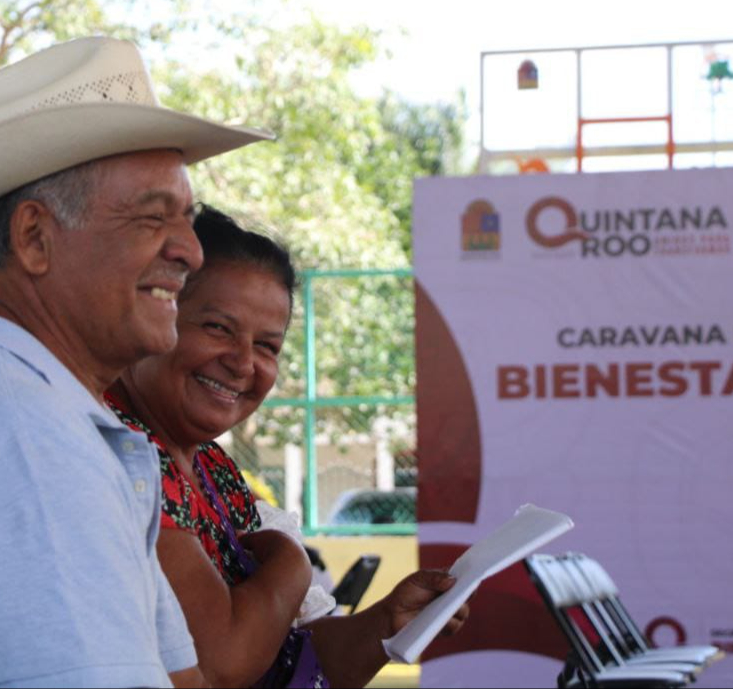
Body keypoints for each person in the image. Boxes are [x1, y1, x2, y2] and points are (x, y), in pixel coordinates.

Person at [0, 37, 271, 688]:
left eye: (187, 217)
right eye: (153, 217)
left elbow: (184, 679)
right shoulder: (24, 442)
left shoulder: (31, 412)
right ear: (34, 238)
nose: (192, 252)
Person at [107, 207, 471, 688]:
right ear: (155, 314)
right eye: (217, 327)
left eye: (267, 346)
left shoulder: (211, 467)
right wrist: (291, 563)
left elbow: (289, 661)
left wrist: (385, 622)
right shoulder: (124, 450)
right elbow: (224, 662)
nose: (242, 363)